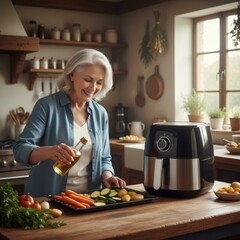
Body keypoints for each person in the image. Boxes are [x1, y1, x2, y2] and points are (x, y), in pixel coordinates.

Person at [13, 49, 126, 197]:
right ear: (72, 74)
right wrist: (50, 151)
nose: (93, 88)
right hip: (48, 199)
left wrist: (107, 176)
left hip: (87, 200)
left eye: (99, 82)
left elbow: (104, 158)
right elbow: (20, 150)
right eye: (88, 80)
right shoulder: (47, 106)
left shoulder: (101, 113)